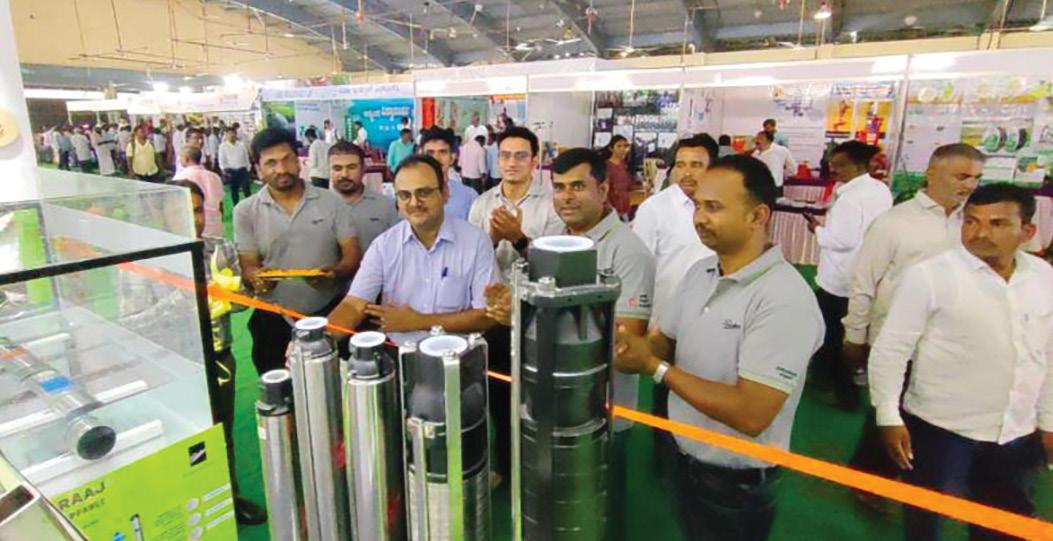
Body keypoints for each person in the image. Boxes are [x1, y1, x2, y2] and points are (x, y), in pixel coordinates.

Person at [614, 155, 823, 541]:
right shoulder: (701, 273)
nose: (699, 218)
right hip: (685, 456)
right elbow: (665, 342)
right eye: (697, 206)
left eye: (714, 207)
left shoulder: (784, 298)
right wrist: (630, 346)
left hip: (736, 482)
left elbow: (751, 413)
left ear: (758, 216)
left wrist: (654, 367)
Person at [869, 183, 1053, 541]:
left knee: (1003, 525)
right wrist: (888, 415)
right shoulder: (930, 275)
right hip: (940, 429)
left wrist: (1047, 420)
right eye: (971, 221)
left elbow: (1046, 354)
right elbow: (892, 348)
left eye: (997, 223)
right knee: (927, 521)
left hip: (1016, 431)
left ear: (1027, 231)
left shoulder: (1044, 278)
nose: (980, 233)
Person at [841, 144, 985, 499]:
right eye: (961, 176)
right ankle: (869, 481)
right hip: (898, 339)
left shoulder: (973, 225)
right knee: (889, 411)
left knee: (930, 416)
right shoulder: (895, 223)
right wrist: (855, 334)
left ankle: (911, 474)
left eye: (976, 178)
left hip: (950, 340)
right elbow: (863, 282)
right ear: (931, 173)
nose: (969, 185)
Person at [468, 125, 563, 482]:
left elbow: (556, 266)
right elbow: (470, 262)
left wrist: (520, 239)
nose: (511, 163)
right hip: (493, 316)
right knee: (496, 392)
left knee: (537, 396)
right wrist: (492, 240)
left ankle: (539, 468)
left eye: (520, 156)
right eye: (505, 155)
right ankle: (503, 465)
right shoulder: (482, 203)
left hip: (536, 315)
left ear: (535, 160)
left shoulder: (551, 205)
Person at [170, 180, 268, 525]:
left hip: (219, 358)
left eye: (198, 210)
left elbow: (242, 301)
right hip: (174, 365)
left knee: (221, 431)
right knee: (181, 435)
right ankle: (180, 507)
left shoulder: (219, 248)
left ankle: (229, 498)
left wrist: (233, 294)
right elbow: (133, 318)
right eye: (184, 210)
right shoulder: (150, 256)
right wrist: (186, 300)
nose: (194, 218)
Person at [326, 154, 500, 346]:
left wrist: (419, 322)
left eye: (423, 192)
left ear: (444, 193)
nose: (414, 202)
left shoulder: (476, 242)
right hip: (399, 352)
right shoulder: (384, 246)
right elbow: (353, 304)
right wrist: (322, 339)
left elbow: (487, 315)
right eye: (404, 195)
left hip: (459, 354)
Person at [234, 128, 362, 375]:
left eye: (287, 159)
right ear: (258, 168)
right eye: (271, 163)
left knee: (333, 384)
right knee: (278, 387)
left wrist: (335, 274)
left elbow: (352, 255)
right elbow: (248, 265)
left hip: (329, 313)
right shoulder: (245, 211)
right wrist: (258, 279)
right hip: (273, 318)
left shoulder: (331, 202)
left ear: (298, 161)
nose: (281, 169)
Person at [803, 140, 891, 410]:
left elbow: (842, 240)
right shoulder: (880, 190)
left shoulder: (850, 198)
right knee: (846, 332)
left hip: (840, 278)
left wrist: (818, 230)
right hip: (866, 273)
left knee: (832, 335)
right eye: (832, 164)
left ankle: (843, 392)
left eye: (840, 165)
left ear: (859, 165)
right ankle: (826, 377)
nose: (833, 169)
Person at [633, 134, 718, 325]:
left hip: (712, 314)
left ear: (712, 168)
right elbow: (639, 271)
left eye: (696, 165)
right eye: (680, 165)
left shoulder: (724, 206)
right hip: (666, 318)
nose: (686, 173)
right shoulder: (653, 208)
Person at [329, 141, 400, 251]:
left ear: (363, 169)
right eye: (337, 168)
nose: (344, 174)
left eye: (352, 167)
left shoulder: (385, 207)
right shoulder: (317, 207)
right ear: (328, 170)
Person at [419, 127, 478, 221]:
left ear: (452, 158)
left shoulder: (469, 196)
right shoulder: (408, 195)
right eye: (430, 153)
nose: (436, 158)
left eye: (442, 152)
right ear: (421, 157)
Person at [174, 146, 226, 238]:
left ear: (186, 158)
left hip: (194, 229)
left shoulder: (179, 179)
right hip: (215, 228)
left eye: (180, 157)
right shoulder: (214, 177)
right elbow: (220, 205)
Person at [219, 127, 253, 205]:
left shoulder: (241, 145)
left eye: (233, 133)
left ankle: (250, 206)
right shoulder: (223, 146)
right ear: (226, 135)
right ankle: (236, 206)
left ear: (236, 134)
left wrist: (248, 168)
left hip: (242, 169)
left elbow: (246, 157)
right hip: (231, 171)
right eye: (229, 133)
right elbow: (221, 160)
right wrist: (224, 169)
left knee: (246, 189)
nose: (231, 135)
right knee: (234, 190)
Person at [603, 135, 633, 219]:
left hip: (624, 209)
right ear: (611, 148)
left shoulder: (624, 165)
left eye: (625, 146)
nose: (623, 149)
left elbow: (628, 185)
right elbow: (604, 191)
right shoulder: (606, 166)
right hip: (612, 211)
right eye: (619, 146)